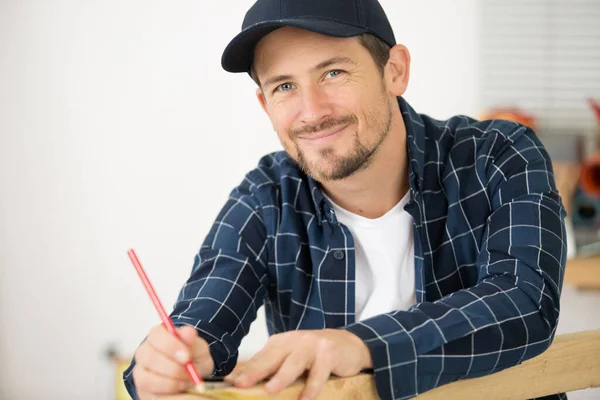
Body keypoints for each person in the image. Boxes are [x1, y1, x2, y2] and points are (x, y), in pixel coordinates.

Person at [123, 0, 567, 399]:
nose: (312, 111)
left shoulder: (499, 154)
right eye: (284, 87)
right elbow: (201, 324)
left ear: (395, 70)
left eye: (333, 73)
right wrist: (167, 363)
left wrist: (360, 345)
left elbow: (525, 302)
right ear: (264, 104)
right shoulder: (266, 196)